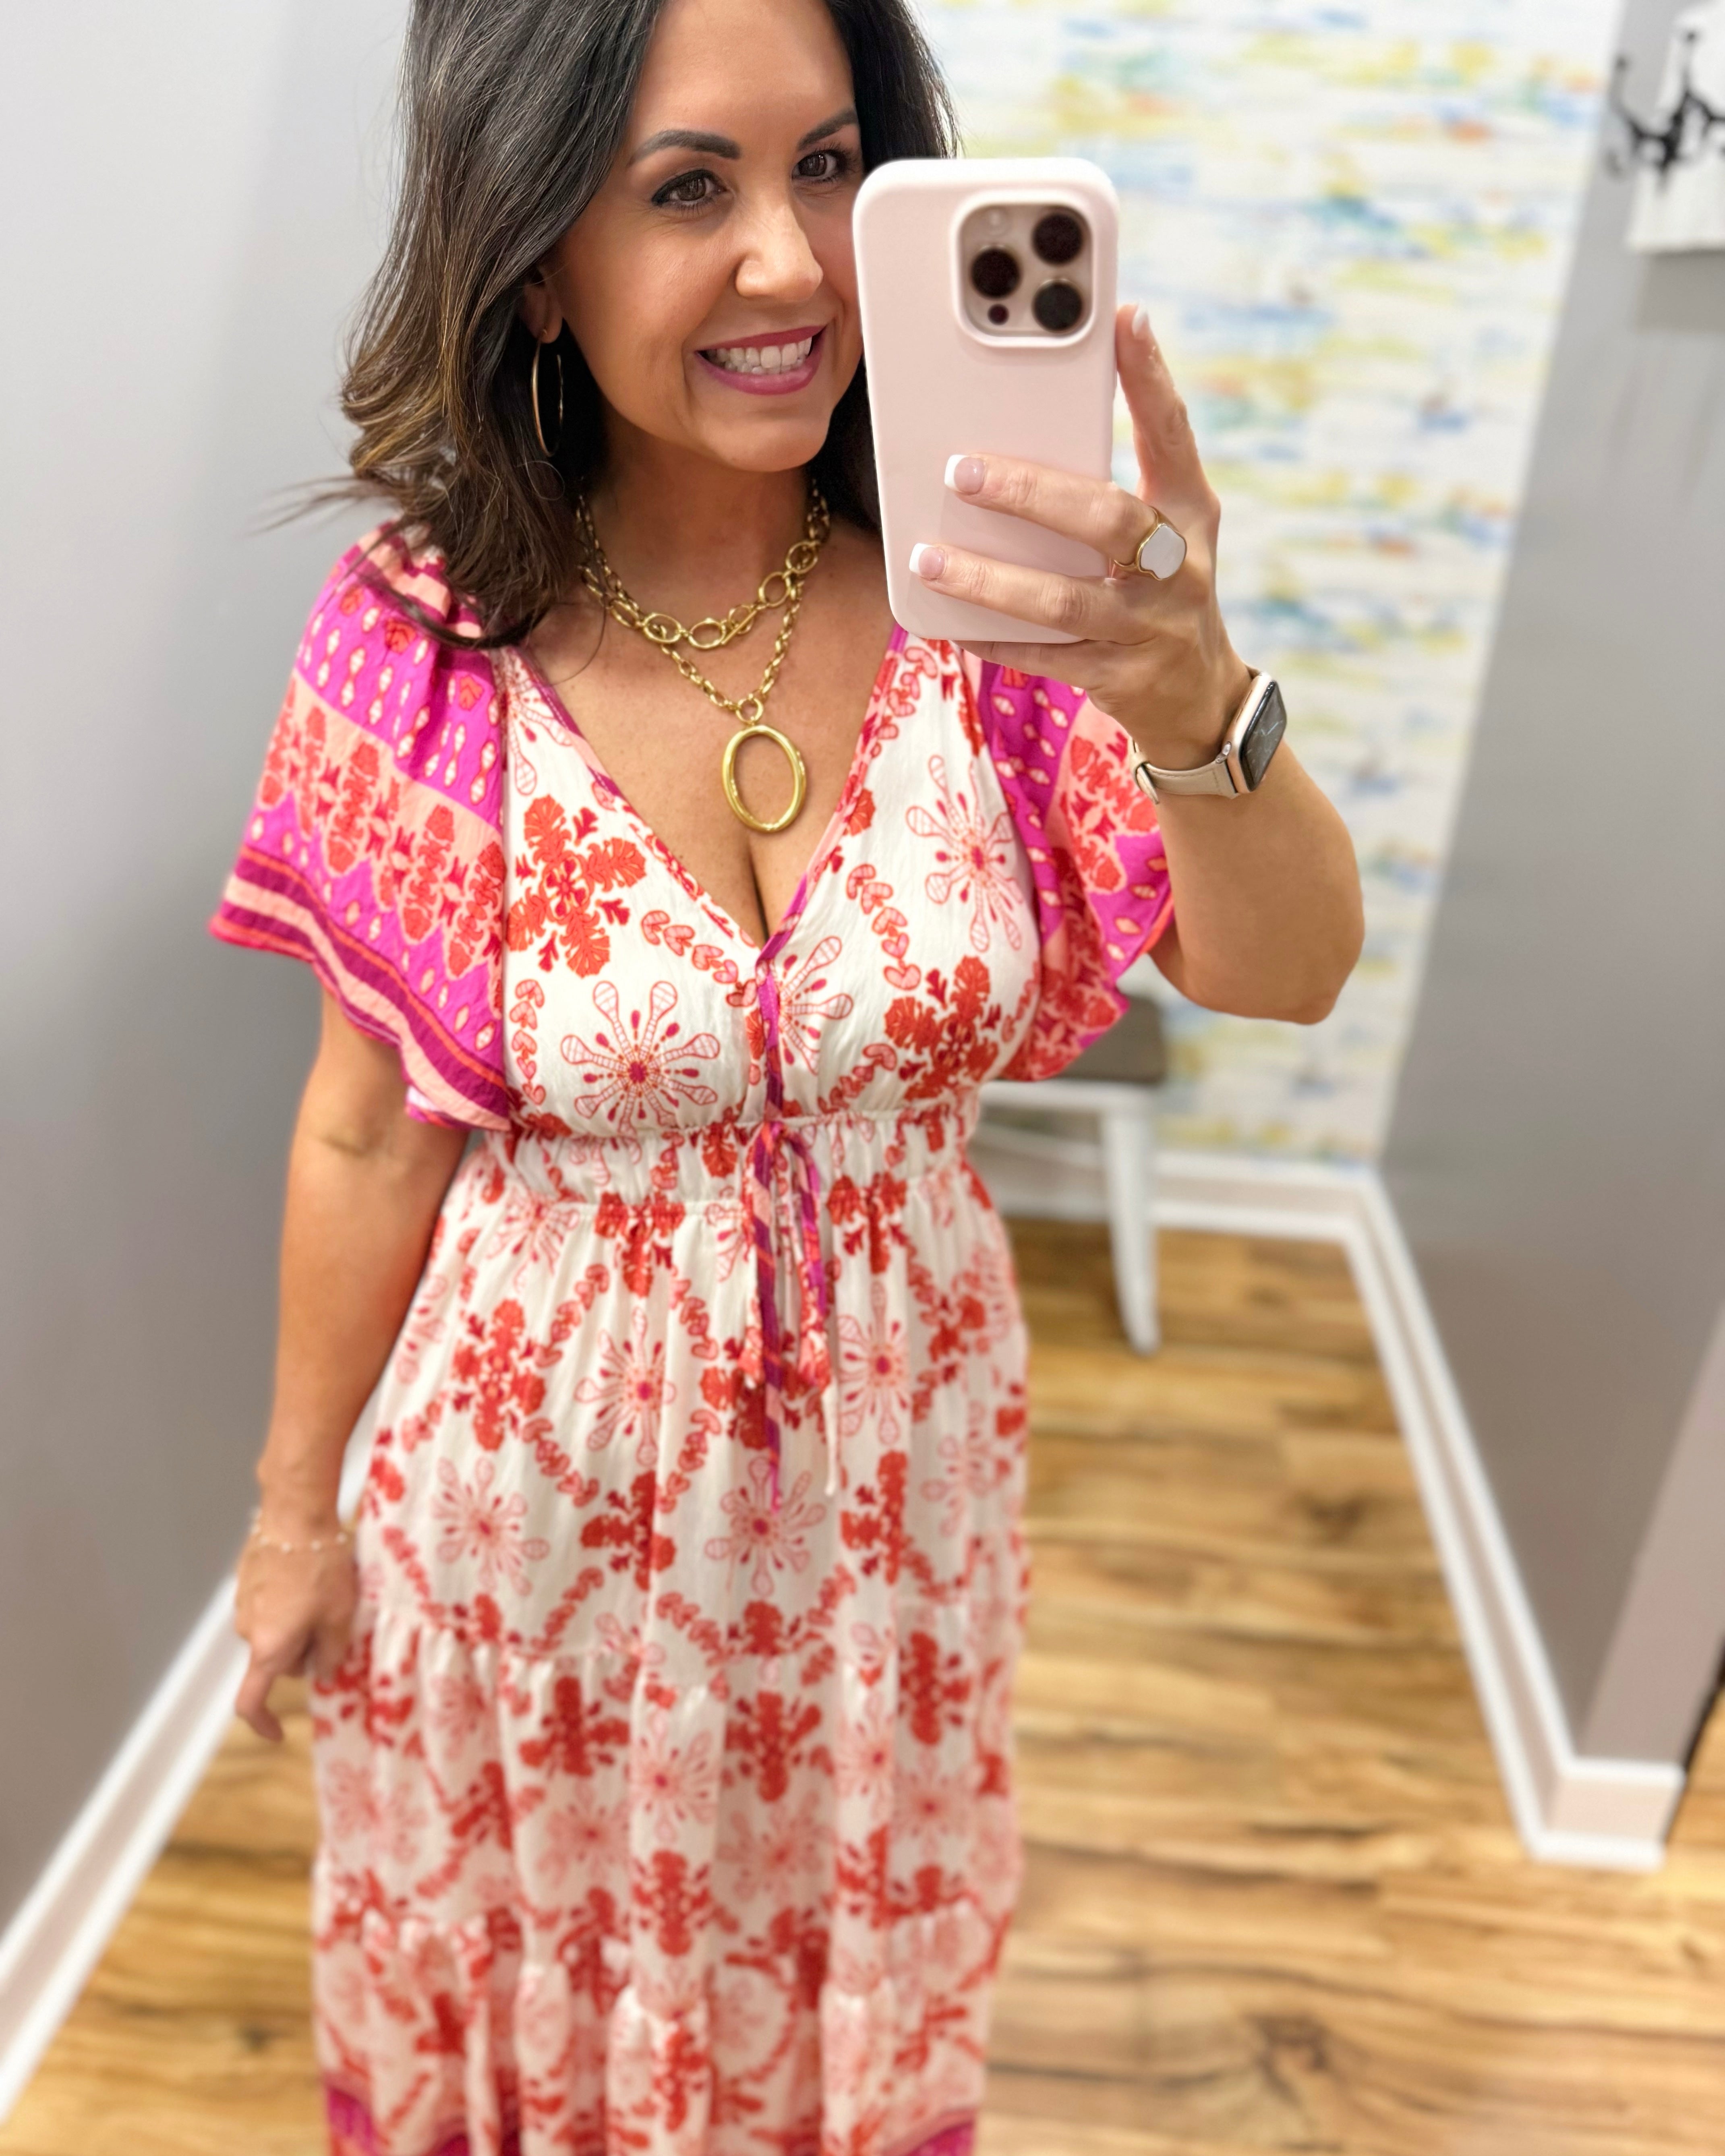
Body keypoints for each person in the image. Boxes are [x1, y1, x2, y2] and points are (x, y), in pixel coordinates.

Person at [216, 0, 1363, 2150]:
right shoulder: (424, 633)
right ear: (535, 253)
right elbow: (365, 1124)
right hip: (524, 1525)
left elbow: (1287, 971)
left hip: (888, 1528)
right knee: (545, 2002)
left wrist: (1201, 686)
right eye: (687, 190)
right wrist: (292, 1517)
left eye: (835, 167)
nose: (794, 260)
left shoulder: (1003, 613)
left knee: (818, 1991)